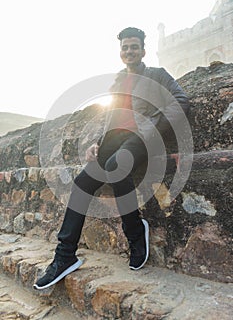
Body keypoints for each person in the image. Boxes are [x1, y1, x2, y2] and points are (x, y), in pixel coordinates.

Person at [33, 27, 190, 290]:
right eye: (125, 47)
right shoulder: (117, 82)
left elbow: (182, 100)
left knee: (118, 165)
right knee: (83, 182)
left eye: (134, 47)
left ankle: (135, 232)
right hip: (114, 140)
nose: (129, 51)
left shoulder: (156, 75)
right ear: (121, 52)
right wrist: (97, 142)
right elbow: (111, 116)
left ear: (143, 50)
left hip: (141, 138)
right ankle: (64, 256)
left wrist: (153, 126)